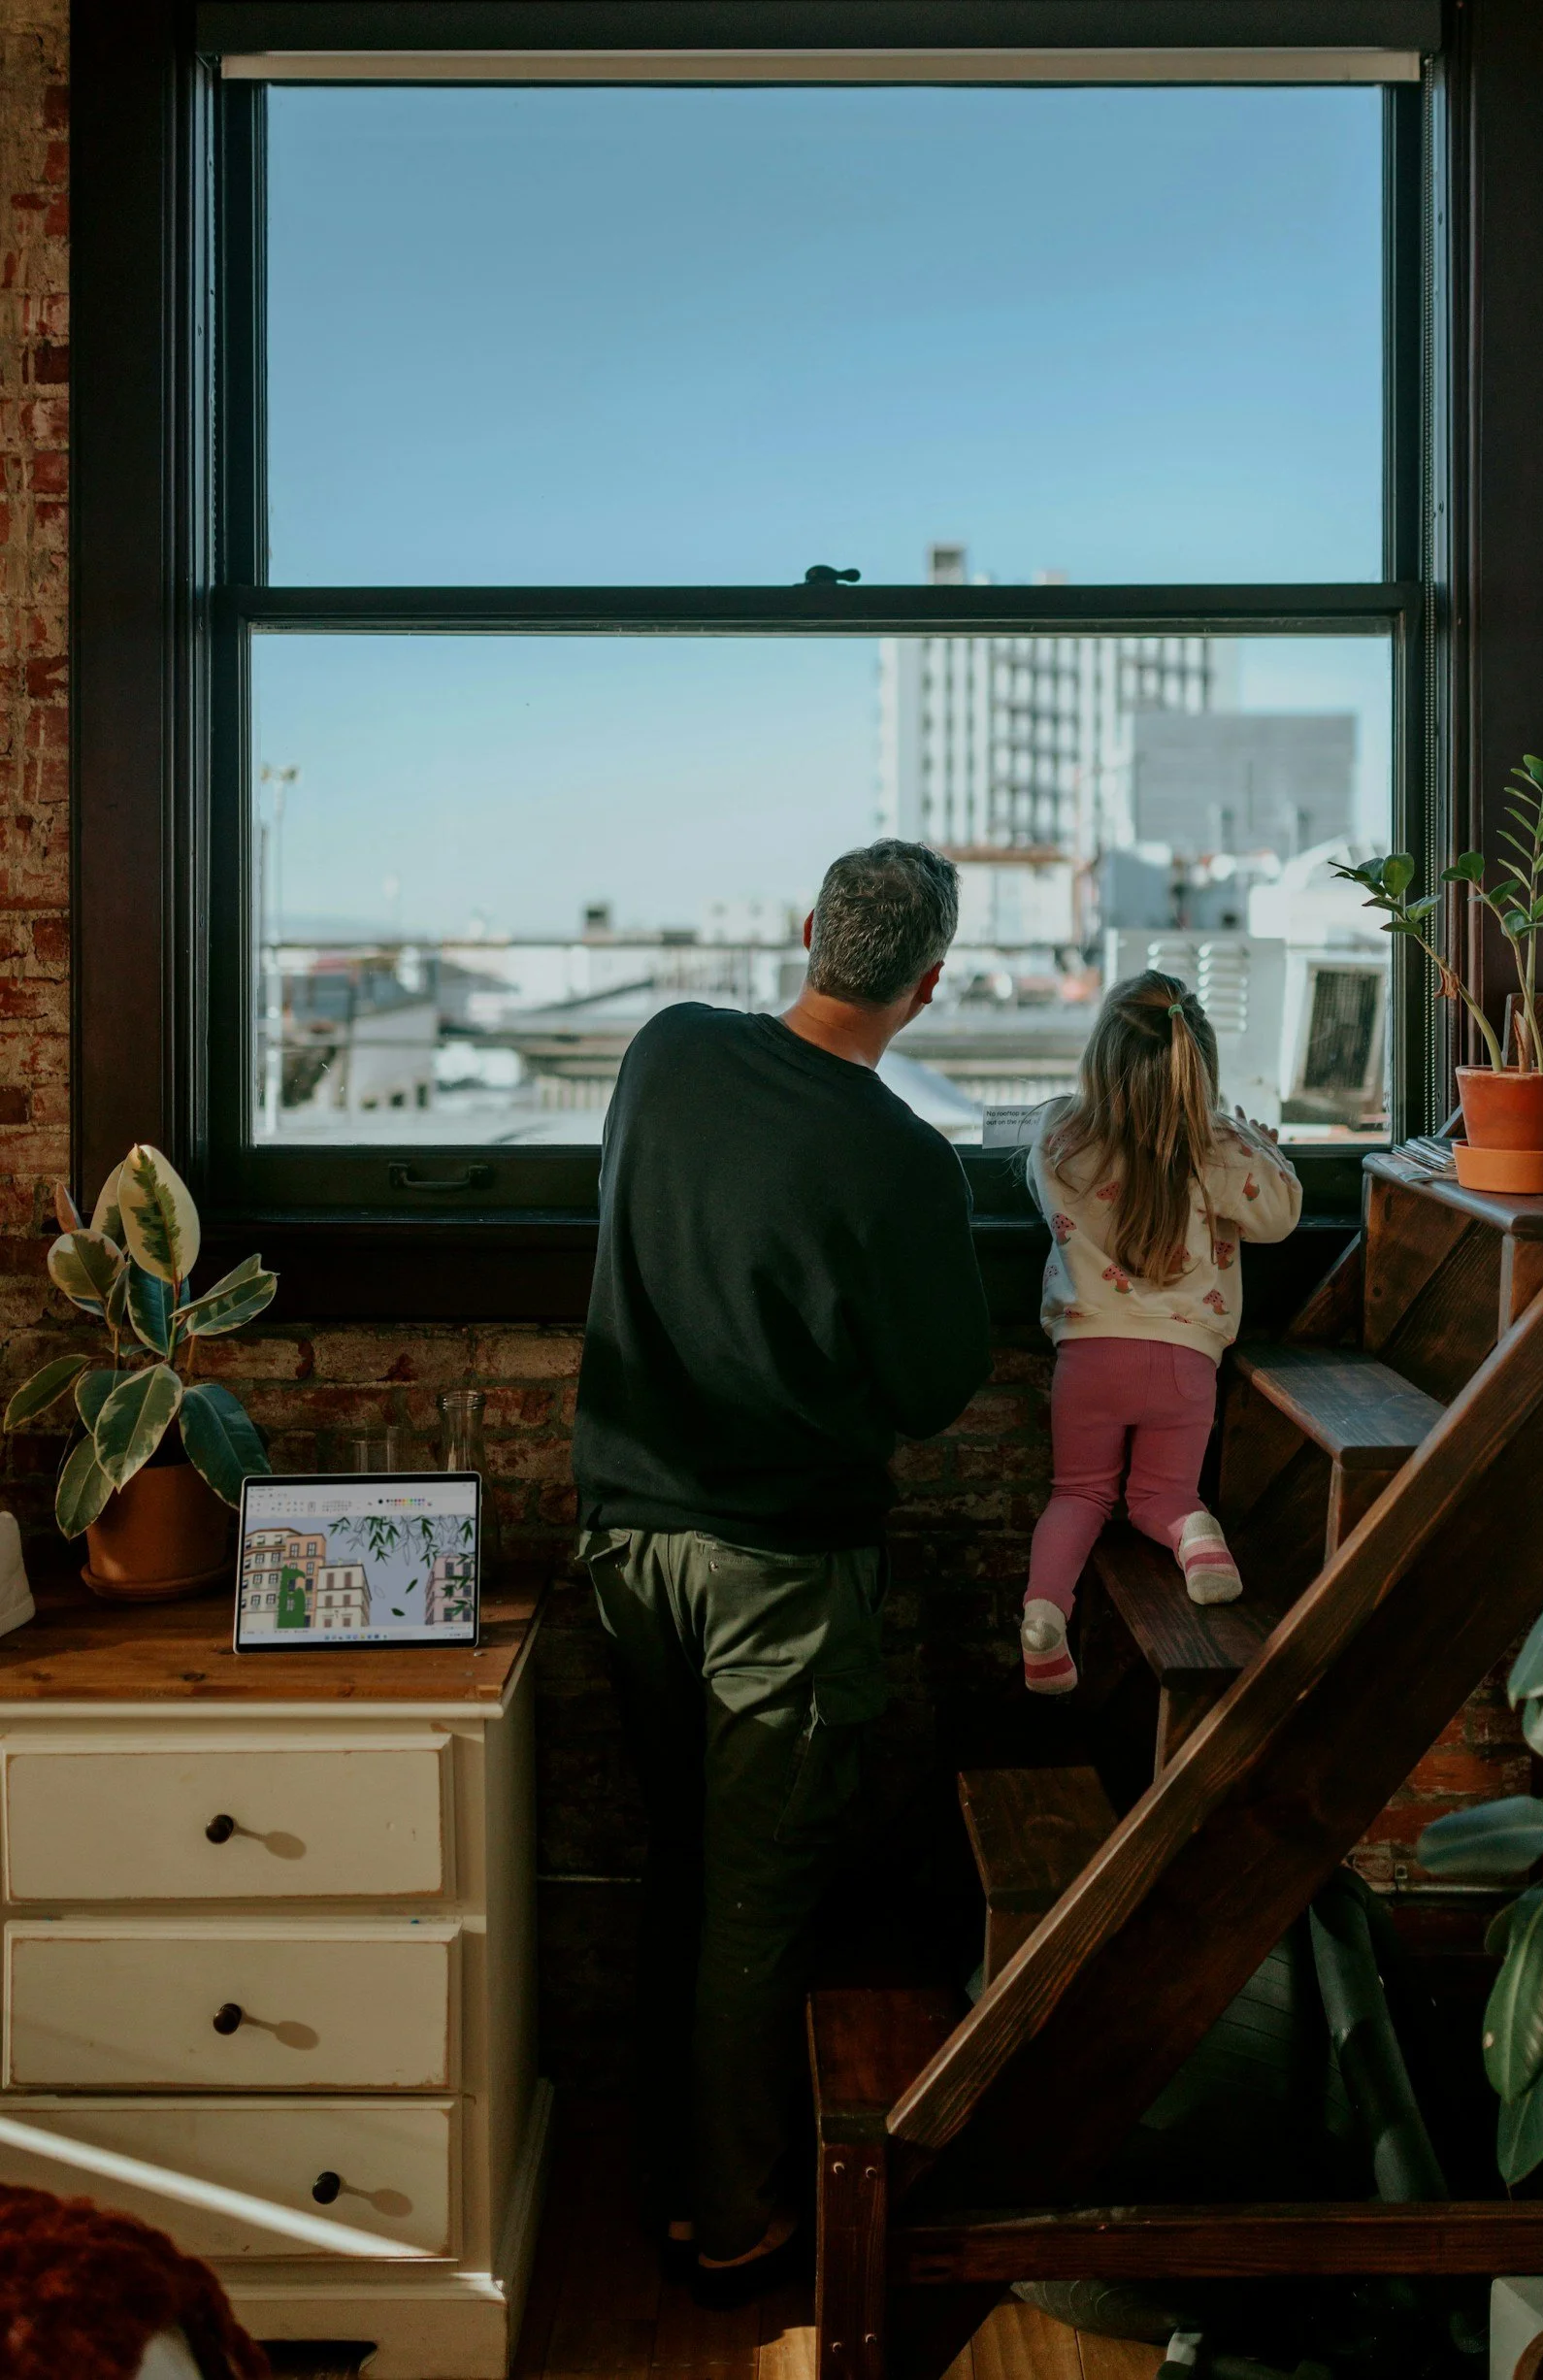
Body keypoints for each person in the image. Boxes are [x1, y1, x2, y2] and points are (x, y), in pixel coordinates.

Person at [573, 839, 992, 2302]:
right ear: (927, 986)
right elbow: (937, 1386)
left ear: (813, 931)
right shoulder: (902, 1161)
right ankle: (731, 2215)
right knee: (755, 1907)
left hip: (626, 1541)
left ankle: (668, 2185)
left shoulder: (664, 1048)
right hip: (780, 1573)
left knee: (681, 1865)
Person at [1019, 968, 1302, 1696]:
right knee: (1163, 1496)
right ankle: (1202, 1546)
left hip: (1090, 1360)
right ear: (1197, 1063)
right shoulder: (1217, 1147)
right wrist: (1258, 1142)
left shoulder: (1059, 1135)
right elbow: (1281, 1216)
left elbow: (1042, 1181)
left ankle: (1044, 1617)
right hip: (1184, 1365)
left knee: (1078, 1494)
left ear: (1100, 1057)